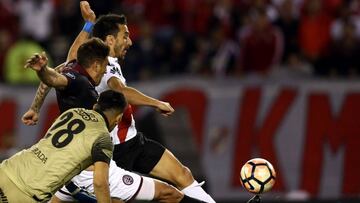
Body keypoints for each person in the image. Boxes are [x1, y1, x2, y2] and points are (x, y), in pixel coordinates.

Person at [22, 2, 215, 203]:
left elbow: (54, 74)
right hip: (113, 149)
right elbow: (119, 90)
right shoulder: (108, 65)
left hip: (126, 142)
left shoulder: (78, 65)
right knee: (165, 191)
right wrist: (157, 103)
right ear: (110, 40)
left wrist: (34, 108)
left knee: (181, 175)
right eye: (125, 35)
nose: (130, 41)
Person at [0, 89, 127, 203]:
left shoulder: (73, 112)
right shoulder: (103, 138)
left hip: (7, 169)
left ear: (95, 106)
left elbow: (53, 147)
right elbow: (99, 183)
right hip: (26, 192)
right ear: (118, 119)